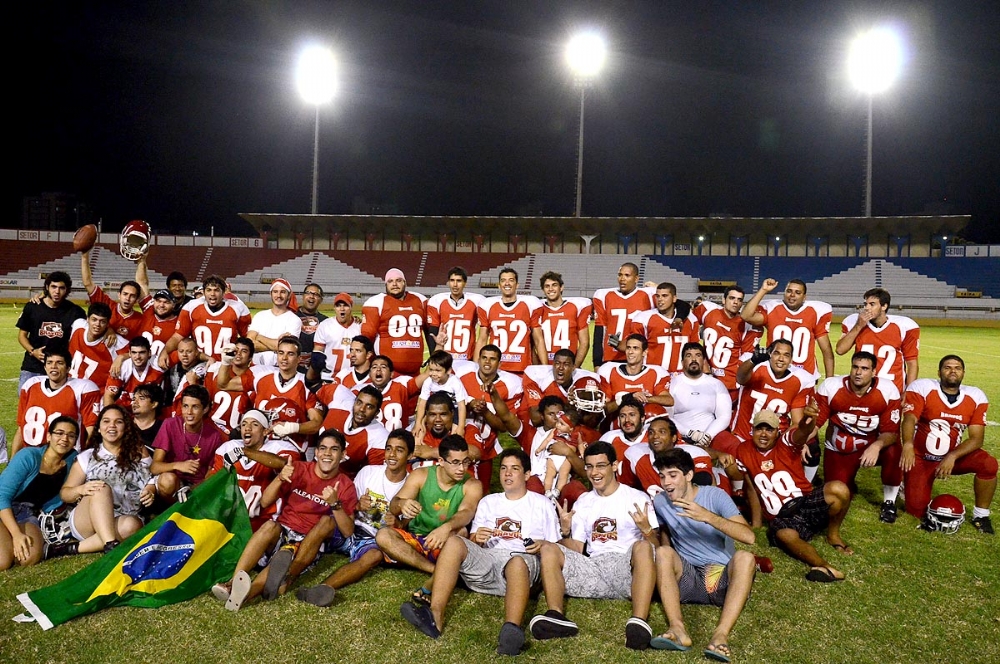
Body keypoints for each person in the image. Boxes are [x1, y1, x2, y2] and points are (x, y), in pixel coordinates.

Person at [400, 447, 560, 655]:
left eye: (514, 469)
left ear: (527, 474)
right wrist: (477, 538)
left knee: (517, 563)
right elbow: (474, 541)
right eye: (503, 468)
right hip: (489, 562)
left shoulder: (542, 504)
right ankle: (434, 616)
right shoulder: (488, 501)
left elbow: (554, 547)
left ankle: (511, 631)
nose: (507, 474)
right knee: (456, 542)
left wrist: (540, 545)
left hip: (523, 562)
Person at [528, 441, 659, 650]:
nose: (594, 472)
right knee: (549, 548)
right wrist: (562, 534)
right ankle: (556, 615)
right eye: (589, 466)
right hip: (593, 568)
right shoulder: (584, 501)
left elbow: (655, 548)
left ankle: (639, 622)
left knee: (643, 547)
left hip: (626, 571)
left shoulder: (636, 498)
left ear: (614, 466)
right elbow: (578, 548)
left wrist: (647, 531)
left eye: (600, 466)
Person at [219, 430, 358, 611]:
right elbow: (265, 501)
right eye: (323, 448)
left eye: (334, 449)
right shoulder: (299, 469)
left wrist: (335, 504)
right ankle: (233, 582)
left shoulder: (345, 485)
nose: (327, 454)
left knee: (324, 524)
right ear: (316, 452)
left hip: (305, 543)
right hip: (283, 530)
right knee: (269, 526)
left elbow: (348, 531)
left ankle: (246, 595)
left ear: (343, 455)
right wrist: (279, 478)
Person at [651, 448, 756, 661]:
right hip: (689, 579)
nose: (666, 483)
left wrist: (708, 516)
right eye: (662, 476)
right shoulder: (661, 502)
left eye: (673, 475)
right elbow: (664, 537)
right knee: (663, 552)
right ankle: (677, 629)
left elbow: (748, 536)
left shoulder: (715, 496)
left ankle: (720, 636)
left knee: (745, 557)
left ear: (689, 476)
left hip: (720, 579)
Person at [294, 429, 414, 607]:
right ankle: (290, 574)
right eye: (389, 448)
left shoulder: (412, 484)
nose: (392, 454)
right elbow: (346, 504)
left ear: (410, 455)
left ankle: (321, 589)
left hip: (371, 539)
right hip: (348, 528)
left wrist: (396, 524)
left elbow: (405, 530)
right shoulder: (369, 472)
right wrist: (358, 505)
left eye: (399, 450)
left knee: (374, 555)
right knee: (324, 522)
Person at [733, 406, 853, 581]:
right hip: (782, 518)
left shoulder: (786, 443)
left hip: (805, 503)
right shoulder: (743, 450)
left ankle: (833, 535)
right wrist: (757, 524)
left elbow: (801, 432)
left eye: (769, 429)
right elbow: (751, 487)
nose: (764, 434)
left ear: (778, 432)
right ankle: (825, 567)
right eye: (759, 428)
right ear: (752, 430)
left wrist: (807, 420)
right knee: (784, 535)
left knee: (839, 488)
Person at [901, 355, 995, 534]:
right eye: (947, 367)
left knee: (988, 464)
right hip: (921, 457)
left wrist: (952, 456)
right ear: (939, 372)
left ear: (963, 373)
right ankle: (906, 483)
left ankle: (981, 515)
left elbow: (976, 438)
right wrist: (907, 445)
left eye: (957, 368)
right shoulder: (923, 388)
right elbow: (909, 419)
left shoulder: (975, 396)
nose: (953, 371)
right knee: (916, 511)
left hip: (952, 456)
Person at [814, 351, 902, 523]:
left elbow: (891, 432)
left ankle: (889, 501)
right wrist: (803, 437)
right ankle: (848, 479)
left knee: (893, 450)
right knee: (837, 495)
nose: (858, 372)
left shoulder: (887, 390)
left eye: (864, 368)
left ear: (874, 372)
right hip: (840, 448)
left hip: (870, 444)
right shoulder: (832, 386)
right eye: (855, 367)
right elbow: (816, 423)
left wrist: (876, 446)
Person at [375, 435, 483, 575]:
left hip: (446, 540)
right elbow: (394, 506)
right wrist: (403, 503)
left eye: (465, 462)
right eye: (455, 462)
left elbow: (467, 512)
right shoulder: (421, 475)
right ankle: (434, 570)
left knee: (460, 532)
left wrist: (446, 528)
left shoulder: (472, 485)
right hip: (416, 538)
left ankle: (413, 560)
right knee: (383, 535)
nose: (462, 468)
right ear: (441, 461)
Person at [58, 404, 154, 554]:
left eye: (118, 422)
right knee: (100, 487)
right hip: (87, 521)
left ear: (126, 427)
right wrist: (81, 489)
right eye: (106, 421)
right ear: (98, 427)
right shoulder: (88, 456)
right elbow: (65, 494)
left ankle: (69, 549)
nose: (112, 426)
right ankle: (110, 544)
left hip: (122, 518)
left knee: (132, 526)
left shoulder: (138, 452)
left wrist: (151, 488)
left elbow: (152, 476)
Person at [218, 336, 323, 455]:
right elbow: (224, 384)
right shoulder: (260, 374)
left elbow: (316, 423)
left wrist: (292, 428)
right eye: (281, 353)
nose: (284, 358)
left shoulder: (307, 384)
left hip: (292, 447)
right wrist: (225, 362)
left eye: (290, 354)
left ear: (299, 359)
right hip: (260, 444)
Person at [0, 417, 79, 570]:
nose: (64, 439)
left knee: (29, 557)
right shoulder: (28, 456)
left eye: (71, 435)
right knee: (2, 561)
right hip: (4, 506)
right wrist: (16, 534)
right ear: (49, 436)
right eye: (59, 433)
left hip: (27, 514)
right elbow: (2, 496)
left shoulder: (71, 461)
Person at [211, 409, 297, 531]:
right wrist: (192, 491)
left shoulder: (280, 448)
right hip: (230, 520)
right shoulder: (229, 447)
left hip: (265, 522)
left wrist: (245, 452)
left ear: (266, 431)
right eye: (244, 424)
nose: (248, 428)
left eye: (255, 424)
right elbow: (212, 480)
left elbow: (283, 464)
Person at [454, 345, 525, 492]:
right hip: (460, 436)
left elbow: (503, 426)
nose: (487, 362)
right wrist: (468, 404)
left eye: (492, 359)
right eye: (484, 358)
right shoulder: (462, 374)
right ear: (478, 360)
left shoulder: (511, 385)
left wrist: (485, 412)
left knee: (482, 490)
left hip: (487, 444)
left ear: (499, 364)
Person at [11, 348, 100, 458]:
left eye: (59, 363)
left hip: (65, 458)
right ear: (45, 367)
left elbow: (92, 431)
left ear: (68, 368)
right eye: (49, 362)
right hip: (31, 457)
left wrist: (82, 459)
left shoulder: (84, 389)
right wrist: (13, 459)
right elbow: (21, 428)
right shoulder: (30, 385)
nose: (53, 366)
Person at [740, 278, 835, 380]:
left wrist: (829, 381)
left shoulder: (814, 312)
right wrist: (763, 290)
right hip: (774, 371)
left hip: (805, 375)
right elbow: (746, 316)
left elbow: (827, 351)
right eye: (789, 291)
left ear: (804, 297)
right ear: (784, 293)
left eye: (797, 292)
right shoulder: (773, 309)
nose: (792, 295)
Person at [836, 287, 920, 394]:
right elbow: (840, 350)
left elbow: (912, 363)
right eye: (865, 304)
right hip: (862, 390)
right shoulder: (855, 322)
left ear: (884, 306)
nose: (867, 308)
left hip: (893, 391)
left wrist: (909, 393)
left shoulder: (904, 326)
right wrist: (858, 326)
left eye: (872, 304)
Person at [150, 385, 226, 503]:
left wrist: (192, 491)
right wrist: (178, 465)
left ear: (205, 409)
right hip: (174, 483)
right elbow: (155, 467)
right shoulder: (170, 424)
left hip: (197, 488)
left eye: (195, 407)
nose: (189, 412)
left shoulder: (214, 435)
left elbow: (211, 473)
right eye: (185, 406)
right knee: (167, 480)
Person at [731, 339, 816, 444]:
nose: (781, 359)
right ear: (770, 354)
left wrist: (782, 444)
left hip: (774, 442)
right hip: (742, 436)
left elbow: (797, 422)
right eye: (777, 353)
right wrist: (753, 361)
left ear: (791, 360)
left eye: (786, 355)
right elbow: (740, 378)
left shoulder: (800, 380)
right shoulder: (756, 366)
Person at [158, 274, 251, 368]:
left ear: (223, 293)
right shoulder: (191, 307)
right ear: (204, 292)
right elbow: (178, 336)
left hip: (227, 364)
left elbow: (248, 341)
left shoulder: (238, 309)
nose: (212, 294)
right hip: (198, 363)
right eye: (209, 290)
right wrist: (165, 351)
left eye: (216, 290)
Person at [16, 270, 85, 389]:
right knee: (27, 404)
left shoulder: (75, 312)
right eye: (53, 287)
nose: (57, 291)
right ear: (47, 287)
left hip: (60, 369)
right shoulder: (33, 307)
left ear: (67, 289)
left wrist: (109, 331)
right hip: (32, 367)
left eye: (61, 288)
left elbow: (92, 327)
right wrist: (33, 351)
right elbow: (22, 336)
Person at [668, 343, 735, 452]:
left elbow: (724, 417)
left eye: (698, 355)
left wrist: (707, 436)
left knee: (731, 442)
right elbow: (667, 417)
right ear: (681, 362)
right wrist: (691, 434)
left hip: (711, 437)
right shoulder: (672, 384)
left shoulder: (716, 384)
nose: (693, 359)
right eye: (688, 356)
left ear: (704, 361)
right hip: (681, 436)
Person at [361, 268, 428, 377]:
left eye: (398, 280)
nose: (395, 284)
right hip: (388, 373)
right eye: (390, 281)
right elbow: (367, 338)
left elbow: (429, 331)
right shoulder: (376, 303)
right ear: (386, 284)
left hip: (415, 372)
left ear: (405, 282)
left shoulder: (420, 300)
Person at [475, 267, 541, 374]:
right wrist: (475, 367)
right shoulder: (488, 306)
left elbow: (538, 340)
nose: (507, 283)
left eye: (511, 280)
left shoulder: (529, 305)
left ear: (517, 285)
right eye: (503, 280)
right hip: (495, 369)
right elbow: (482, 340)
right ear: (499, 285)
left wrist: (545, 366)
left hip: (522, 368)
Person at [693, 287, 755, 400]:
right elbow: (689, 324)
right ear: (723, 300)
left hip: (730, 383)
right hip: (703, 375)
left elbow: (747, 356)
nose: (736, 302)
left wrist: (738, 378)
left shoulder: (746, 325)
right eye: (732, 298)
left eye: (739, 300)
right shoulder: (707, 310)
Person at [592, 262, 655, 368]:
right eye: (620, 275)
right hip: (610, 357)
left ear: (636, 279)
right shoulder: (604, 296)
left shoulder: (649, 295)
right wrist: (597, 362)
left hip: (637, 357)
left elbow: (675, 303)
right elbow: (600, 332)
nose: (622, 278)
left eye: (627, 275)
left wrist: (658, 287)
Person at [318, 385, 390, 478]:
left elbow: (376, 476)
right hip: (313, 468)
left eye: (369, 406)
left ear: (376, 413)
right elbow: (312, 383)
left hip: (341, 483)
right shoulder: (340, 399)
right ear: (354, 402)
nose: (362, 409)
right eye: (359, 403)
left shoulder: (379, 437)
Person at [627, 282, 700, 373]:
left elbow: (696, 351)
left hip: (682, 376)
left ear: (674, 298)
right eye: (657, 296)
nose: (660, 299)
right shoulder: (643, 319)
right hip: (653, 375)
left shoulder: (691, 320)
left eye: (664, 296)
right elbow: (634, 348)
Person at [598, 333, 672, 421]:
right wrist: (628, 398)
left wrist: (644, 399)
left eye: (635, 348)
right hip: (615, 427)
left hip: (644, 428)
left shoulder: (656, 373)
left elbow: (669, 400)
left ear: (644, 352)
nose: (630, 352)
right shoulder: (609, 371)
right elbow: (604, 409)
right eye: (628, 348)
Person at [521, 349, 601, 427]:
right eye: (557, 363)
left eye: (566, 364)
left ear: (573, 367)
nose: (561, 368)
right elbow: (536, 419)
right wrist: (570, 407)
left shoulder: (586, 380)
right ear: (553, 365)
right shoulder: (536, 376)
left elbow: (591, 422)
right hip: (538, 429)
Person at [531, 271, 592, 367]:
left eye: (554, 285)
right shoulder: (537, 309)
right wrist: (540, 368)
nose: (551, 289)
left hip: (568, 366)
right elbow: (532, 344)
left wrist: (574, 367)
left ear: (561, 287)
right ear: (543, 290)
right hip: (545, 366)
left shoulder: (575, 308)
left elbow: (584, 343)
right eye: (547, 286)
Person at [80, 249, 146, 339]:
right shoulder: (107, 305)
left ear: (136, 300)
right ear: (119, 295)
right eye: (125, 294)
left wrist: (142, 262)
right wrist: (85, 255)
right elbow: (88, 283)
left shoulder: (140, 319)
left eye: (132, 296)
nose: (127, 298)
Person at [425, 266, 484, 361]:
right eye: (452, 280)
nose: (455, 284)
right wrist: (435, 358)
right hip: (445, 359)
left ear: (465, 283)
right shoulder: (437, 301)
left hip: (467, 358)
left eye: (459, 281)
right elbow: (433, 332)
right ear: (448, 282)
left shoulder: (477, 301)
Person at [68, 302, 128, 390]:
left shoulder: (115, 342)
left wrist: (122, 357)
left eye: (102, 321)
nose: (97, 324)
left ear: (108, 324)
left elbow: (140, 352)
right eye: (94, 319)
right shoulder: (78, 325)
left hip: (96, 394)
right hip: (69, 385)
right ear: (87, 319)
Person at [412, 350, 467, 441]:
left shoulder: (455, 382)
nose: (433, 374)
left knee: (455, 432)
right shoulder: (428, 382)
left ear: (448, 370)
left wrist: (461, 427)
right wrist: (418, 422)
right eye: (431, 369)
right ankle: (418, 445)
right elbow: (422, 403)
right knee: (420, 426)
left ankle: (450, 448)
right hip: (435, 408)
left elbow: (461, 406)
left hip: (453, 410)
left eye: (438, 371)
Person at [204, 336, 254, 436]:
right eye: (236, 350)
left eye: (244, 351)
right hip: (211, 429)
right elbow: (204, 403)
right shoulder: (215, 372)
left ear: (250, 358)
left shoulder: (255, 379)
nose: (238, 353)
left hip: (237, 435)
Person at [247, 278, 302, 366]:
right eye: (275, 291)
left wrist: (259, 337)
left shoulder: (294, 320)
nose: (278, 295)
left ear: (289, 295)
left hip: (280, 368)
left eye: (283, 292)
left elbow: (286, 348)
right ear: (271, 294)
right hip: (255, 367)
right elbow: (249, 344)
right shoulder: (260, 316)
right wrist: (276, 345)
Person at [103, 336, 165, 408]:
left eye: (142, 352)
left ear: (149, 353)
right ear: (129, 353)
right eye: (134, 352)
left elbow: (179, 348)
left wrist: (165, 352)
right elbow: (108, 396)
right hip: (125, 411)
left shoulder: (158, 364)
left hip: (151, 411)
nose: (137, 356)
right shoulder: (122, 367)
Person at [312, 294, 362, 383]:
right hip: (329, 378)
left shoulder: (360, 327)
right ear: (334, 308)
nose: (342, 309)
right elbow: (317, 353)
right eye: (338, 306)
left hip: (353, 379)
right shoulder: (325, 325)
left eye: (345, 305)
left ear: (351, 307)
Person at [137, 289, 180, 362]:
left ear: (173, 305)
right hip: (138, 365)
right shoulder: (148, 311)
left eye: (166, 302)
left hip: (162, 369)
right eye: (158, 301)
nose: (161, 305)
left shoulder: (179, 325)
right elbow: (141, 283)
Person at [296, 283, 327, 376]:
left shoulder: (326, 322)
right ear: (303, 296)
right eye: (308, 293)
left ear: (321, 300)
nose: (312, 296)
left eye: (316, 294)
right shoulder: (290, 317)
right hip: (292, 369)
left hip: (315, 371)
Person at [131, 383, 165, 448]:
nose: (135, 402)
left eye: (141, 398)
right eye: (134, 398)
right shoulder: (124, 425)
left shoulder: (163, 429)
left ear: (154, 404)